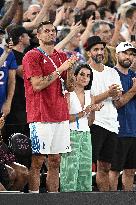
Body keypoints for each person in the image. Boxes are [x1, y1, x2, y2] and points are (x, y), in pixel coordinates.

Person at [22, 20, 78, 193]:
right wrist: (61, 68)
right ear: (38, 35)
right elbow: (37, 85)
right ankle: (33, 197)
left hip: (60, 114)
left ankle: (53, 198)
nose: (51, 33)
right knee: (38, 161)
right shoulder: (32, 56)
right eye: (46, 31)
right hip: (40, 115)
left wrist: (70, 70)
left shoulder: (62, 56)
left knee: (55, 161)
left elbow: (70, 87)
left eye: (53, 31)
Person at [85, 36, 122, 191]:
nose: (100, 52)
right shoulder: (84, 72)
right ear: (88, 53)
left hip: (111, 123)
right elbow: (86, 99)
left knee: (105, 166)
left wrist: (115, 94)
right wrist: (108, 93)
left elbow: (117, 97)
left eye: (102, 49)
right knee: (87, 166)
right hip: (94, 123)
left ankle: (104, 199)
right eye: (96, 50)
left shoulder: (112, 72)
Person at [60, 63, 103, 192]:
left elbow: (90, 122)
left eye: (88, 76)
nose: (85, 78)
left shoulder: (90, 96)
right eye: (82, 74)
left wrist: (93, 110)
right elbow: (65, 118)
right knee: (69, 170)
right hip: (71, 134)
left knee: (85, 172)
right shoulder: (68, 94)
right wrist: (84, 112)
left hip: (86, 135)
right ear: (75, 76)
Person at [109, 42, 136, 191]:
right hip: (118, 130)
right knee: (114, 170)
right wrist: (133, 90)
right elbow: (118, 103)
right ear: (117, 54)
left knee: (130, 170)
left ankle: (128, 201)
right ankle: (112, 201)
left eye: (132, 54)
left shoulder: (134, 75)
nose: (129, 57)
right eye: (125, 53)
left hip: (133, 129)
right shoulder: (112, 74)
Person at [0, 32, 17, 117]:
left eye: (1, 34)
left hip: (1, 101)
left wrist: (8, 102)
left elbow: (12, 80)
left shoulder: (8, 53)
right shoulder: (6, 53)